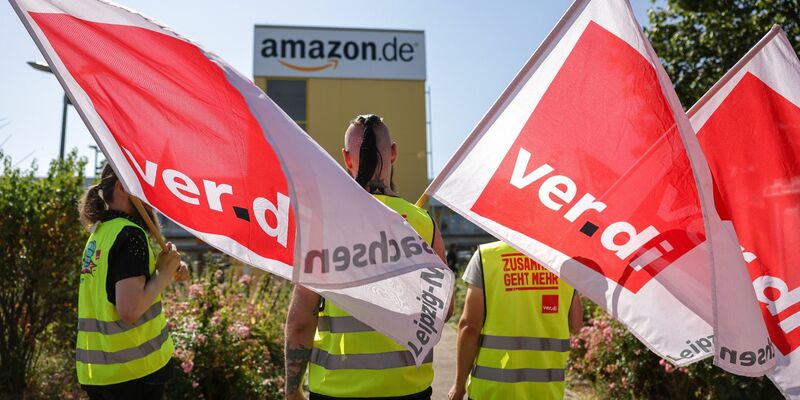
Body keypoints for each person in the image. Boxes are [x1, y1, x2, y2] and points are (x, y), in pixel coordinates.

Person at [284, 114, 451, 400]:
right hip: (408, 387)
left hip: (337, 389)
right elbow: (444, 309)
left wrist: (292, 390)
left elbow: (301, 321)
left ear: (347, 158)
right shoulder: (423, 223)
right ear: (394, 153)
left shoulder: (325, 224)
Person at [76, 163, 188, 399]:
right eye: (142, 186)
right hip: (134, 373)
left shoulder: (100, 233)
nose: (149, 195)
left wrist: (163, 269)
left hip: (102, 375)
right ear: (121, 187)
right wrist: (164, 274)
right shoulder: (130, 235)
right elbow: (130, 310)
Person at [448, 241, 583, 400]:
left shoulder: (487, 256)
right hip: (547, 390)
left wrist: (459, 385)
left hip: (494, 389)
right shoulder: (562, 261)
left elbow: (469, 327)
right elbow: (575, 325)